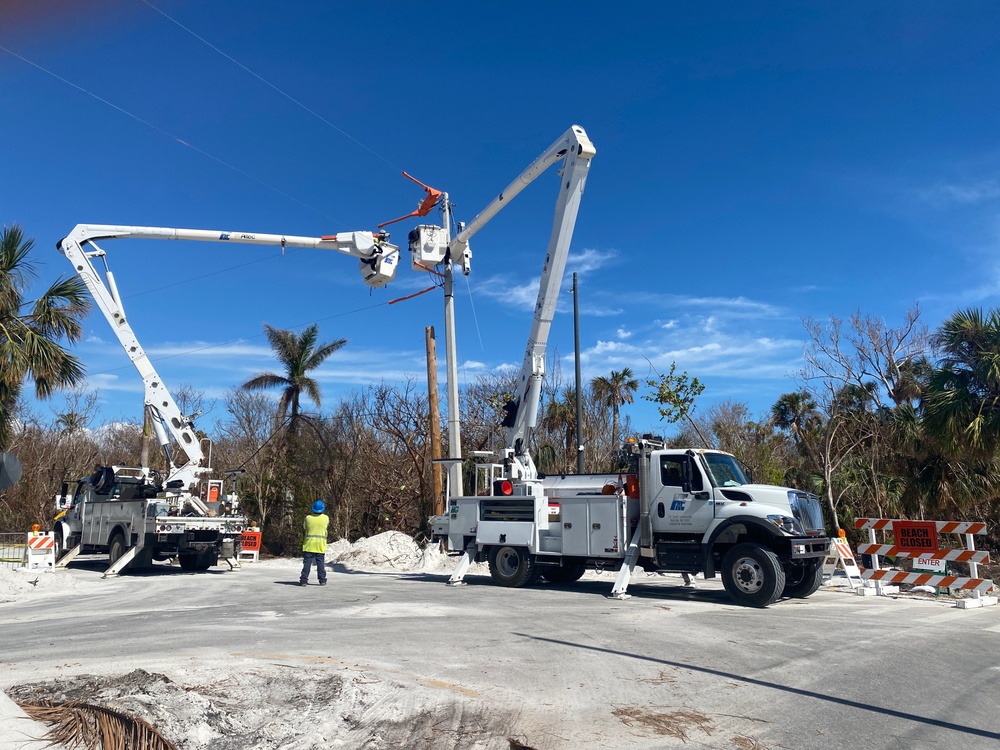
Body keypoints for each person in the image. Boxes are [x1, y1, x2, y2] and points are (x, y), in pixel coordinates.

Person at [299, 499, 329, 586]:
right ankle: (322, 580)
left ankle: (303, 580)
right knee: (320, 563)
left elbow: (305, 528)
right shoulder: (326, 518)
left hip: (309, 544)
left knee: (307, 563)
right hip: (320, 544)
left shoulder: (308, 518)